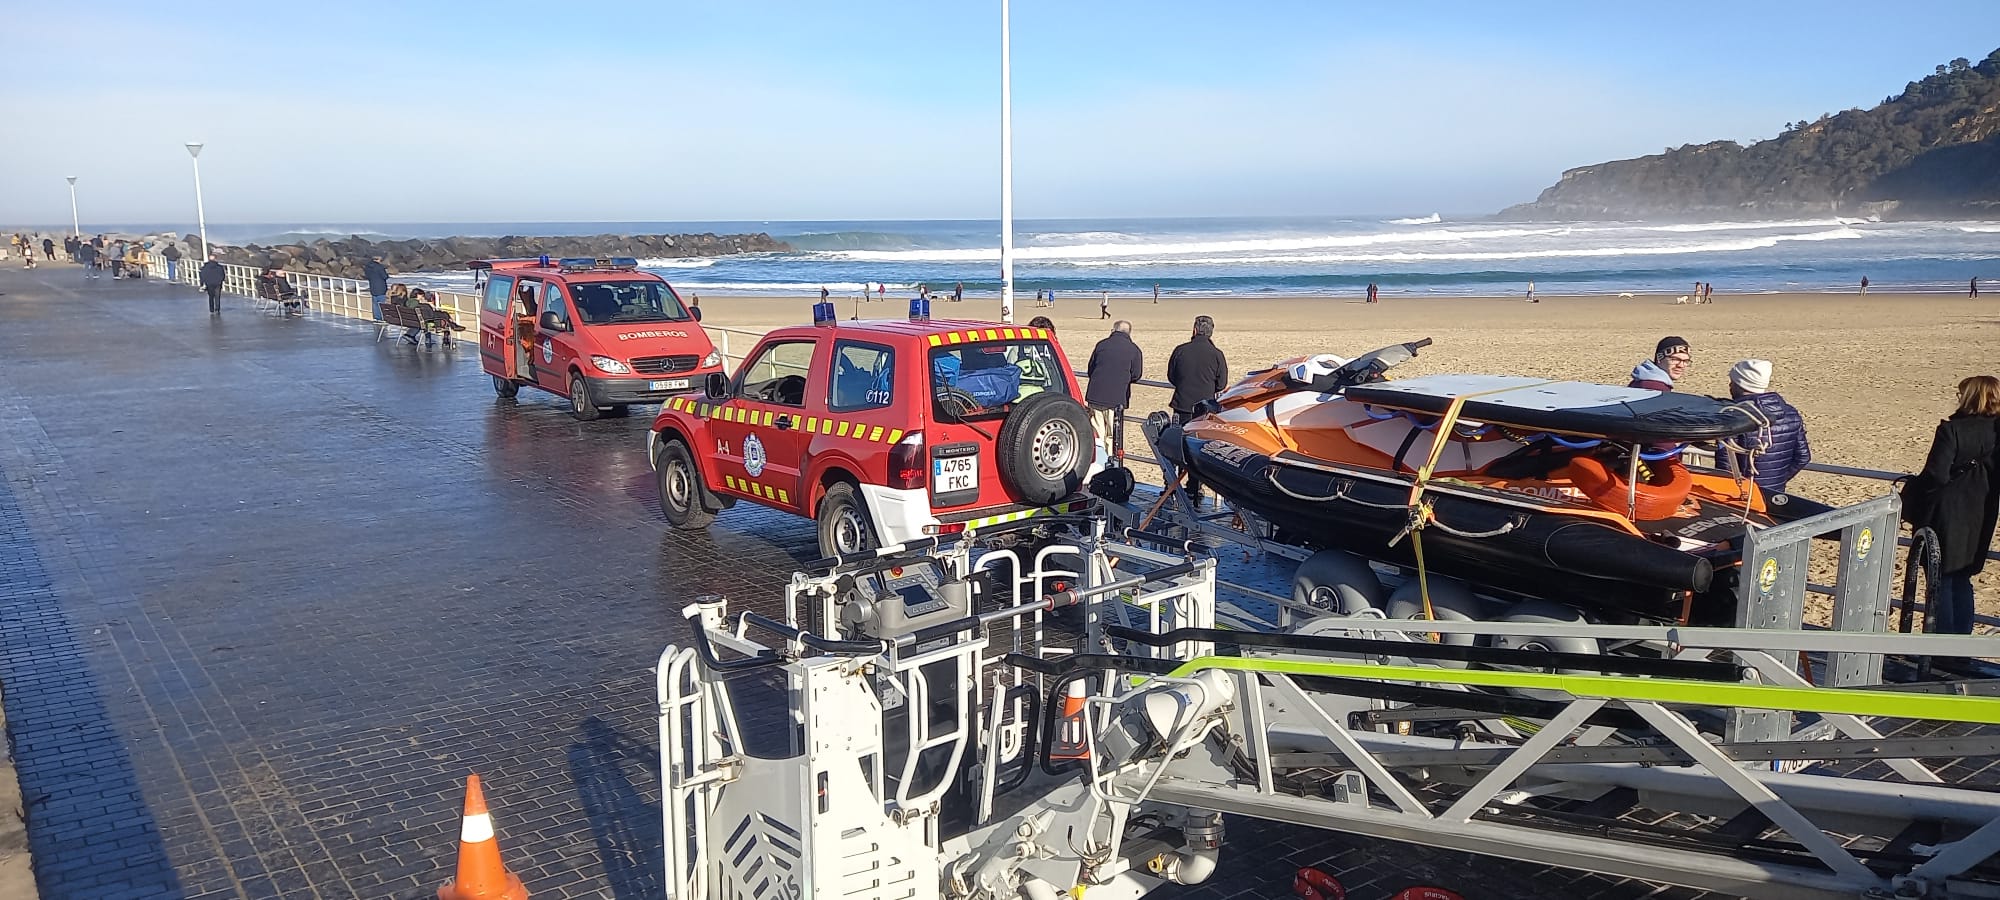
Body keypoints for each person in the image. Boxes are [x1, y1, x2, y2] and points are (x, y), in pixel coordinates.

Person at [1902, 375, 2000, 635]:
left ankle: (1940, 646)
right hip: (1982, 512)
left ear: (1969, 397)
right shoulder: (1996, 431)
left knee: (1941, 578)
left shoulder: (1952, 430)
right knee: (1962, 578)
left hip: (1946, 512)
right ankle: (1960, 644)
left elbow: (1937, 475)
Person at [1723, 360, 1812, 495]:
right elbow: (1803, 457)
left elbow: (1725, 467)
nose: (1730, 385)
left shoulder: (1733, 416)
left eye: (1732, 381)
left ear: (1740, 384)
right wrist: (1778, 481)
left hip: (1742, 494)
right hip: (1774, 492)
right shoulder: (1790, 412)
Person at [1167, 315, 1229, 502]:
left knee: (1178, 447)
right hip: (1204, 409)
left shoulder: (1181, 350)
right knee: (1199, 449)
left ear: (1194, 330)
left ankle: (1174, 485)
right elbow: (1222, 383)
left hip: (1182, 404)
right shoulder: (1217, 354)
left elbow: (1172, 376)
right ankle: (1194, 486)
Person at [1085, 321, 1144, 459]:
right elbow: (1136, 374)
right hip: (1116, 399)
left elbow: (1090, 369)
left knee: (1098, 433)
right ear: (1129, 333)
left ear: (1113, 330)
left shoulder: (1101, 345)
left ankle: (1099, 459)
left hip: (1095, 394)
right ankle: (1109, 462)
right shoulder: (1134, 349)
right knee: (1112, 435)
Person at [363, 255, 390, 321]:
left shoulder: (368, 267)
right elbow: (384, 276)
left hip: (372, 286)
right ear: (378, 260)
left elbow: (366, 276)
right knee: (381, 303)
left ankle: (376, 318)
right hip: (380, 287)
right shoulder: (379, 267)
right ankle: (381, 318)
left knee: (375, 304)